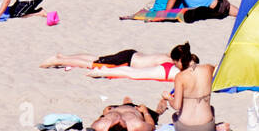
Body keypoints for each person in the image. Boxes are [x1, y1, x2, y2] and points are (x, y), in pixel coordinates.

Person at [156, 42, 231, 131]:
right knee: (210, 108)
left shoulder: (180, 77)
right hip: (208, 127)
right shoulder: (208, 68)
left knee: (175, 116)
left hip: (186, 129)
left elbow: (177, 106)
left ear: (180, 60)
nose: (177, 67)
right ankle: (215, 127)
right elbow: (217, 68)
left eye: (175, 64)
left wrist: (168, 97)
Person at [40, 45, 189, 80]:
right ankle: (58, 60)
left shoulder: (167, 56)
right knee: (93, 63)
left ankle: (64, 56)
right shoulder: (167, 61)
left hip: (131, 55)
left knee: (96, 58)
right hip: (126, 60)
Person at [89, 98, 159, 131]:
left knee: (125, 101)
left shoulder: (100, 127)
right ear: (125, 127)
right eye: (121, 122)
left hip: (115, 108)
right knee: (156, 115)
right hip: (136, 109)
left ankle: (127, 102)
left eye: (115, 121)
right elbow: (152, 126)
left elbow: (94, 123)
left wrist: (104, 114)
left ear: (110, 126)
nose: (119, 119)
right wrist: (145, 111)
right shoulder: (136, 126)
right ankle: (128, 103)